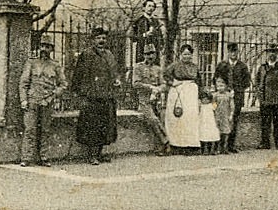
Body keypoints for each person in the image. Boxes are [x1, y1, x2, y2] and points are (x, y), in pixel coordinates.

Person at [70, 28, 121, 164]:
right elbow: (78, 75)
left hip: (107, 95)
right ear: (93, 40)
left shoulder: (109, 55)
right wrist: (78, 94)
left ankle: (99, 153)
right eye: (98, 38)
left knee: (105, 125)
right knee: (91, 125)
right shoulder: (86, 55)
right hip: (91, 96)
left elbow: (115, 72)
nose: (101, 41)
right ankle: (91, 155)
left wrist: (117, 80)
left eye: (104, 38)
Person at [18, 38, 65, 166]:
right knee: (30, 129)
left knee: (45, 130)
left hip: (48, 101)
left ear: (51, 49)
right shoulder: (31, 63)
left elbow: (63, 84)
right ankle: (26, 158)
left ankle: (44, 157)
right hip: (32, 101)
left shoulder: (55, 65)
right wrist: (23, 100)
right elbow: (23, 83)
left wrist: (55, 93)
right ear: (39, 47)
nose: (44, 49)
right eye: (42, 46)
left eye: (47, 47)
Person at [212, 43, 252, 152]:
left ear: (237, 52)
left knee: (233, 120)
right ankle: (218, 146)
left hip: (237, 97)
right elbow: (215, 80)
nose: (233, 54)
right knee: (219, 119)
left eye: (235, 51)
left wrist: (237, 90)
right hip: (222, 98)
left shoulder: (242, 66)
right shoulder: (222, 65)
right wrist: (224, 90)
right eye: (231, 51)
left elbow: (247, 82)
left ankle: (230, 146)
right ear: (228, 52)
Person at [163, 43, 202, 153]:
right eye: (184, 54)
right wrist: (173, 83)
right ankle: (176, 145)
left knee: (190, 117)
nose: (187, 57)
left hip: (191, 93)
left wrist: (200, 96)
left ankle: (190, 144)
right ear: (180, 55)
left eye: (189, 54)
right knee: (177, 118)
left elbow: (199, 81)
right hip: (178, 91)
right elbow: (165, 75)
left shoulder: (194, 67)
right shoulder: (175, 66)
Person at [254, 45, 278, 151]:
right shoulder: (262, 68)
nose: (272, 54)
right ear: (266, 54)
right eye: (270, 52)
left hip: (277, 100)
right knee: (265, 123)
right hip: (265, 99)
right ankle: (265, 143)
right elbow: (257, 81)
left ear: (277, 54)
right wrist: (259, 93)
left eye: (274, 52)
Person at [129, 49, 169, 154]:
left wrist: (158, 89)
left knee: (160, 119)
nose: (150, 56)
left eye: (152, 54)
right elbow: (136, 84)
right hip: (143, 100)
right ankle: (166, 141)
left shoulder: (158, 69)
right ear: (143, 55)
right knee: (153, 119)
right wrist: (150, 87)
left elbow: (164, 85)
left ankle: (160, 147)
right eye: (147, 54)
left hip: (156, 99)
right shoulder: (138, 67)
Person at [212, 78, 236, 154]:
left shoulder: (228, 96)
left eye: (222, 86)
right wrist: (213, 110)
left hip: (225, 115)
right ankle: (216, 149)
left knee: (225, 132)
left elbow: (232, 106)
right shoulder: (215, 95)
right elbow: (213, 104)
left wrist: (231, 114)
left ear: (225, 86)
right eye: (218, 86)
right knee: (217, 131)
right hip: (218, 115)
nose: (220, 88)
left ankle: (224, 148)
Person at [198, 88, 220, 154]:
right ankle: (203, 150)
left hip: (210, 123)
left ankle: (211, 150)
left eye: (207, 99)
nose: (205, 100)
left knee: (211, 136)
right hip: (203, 123)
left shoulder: (211, 105)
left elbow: (216, 106)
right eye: (203, 99)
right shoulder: (201, 106)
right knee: (203, 136)